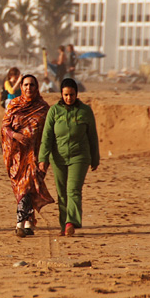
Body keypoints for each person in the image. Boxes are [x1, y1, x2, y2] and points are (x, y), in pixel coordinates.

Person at [38, 77, 100, 237]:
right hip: (58, 157)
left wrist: (95, 157)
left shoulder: (85, 111)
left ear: (76, 94)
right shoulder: (54, 111)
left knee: (73, 190)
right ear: (61, 94)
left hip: (79, 156)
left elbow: (92, 135)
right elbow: (47, 136)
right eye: (65, 95)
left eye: (71, 95)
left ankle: (70, 222)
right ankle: (63, 224)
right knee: (62, 192)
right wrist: (43, 158)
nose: (68, 98)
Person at [1, 74, 54, 238]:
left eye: (32, 85)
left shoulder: (44, 108)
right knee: (23, 187)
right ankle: (27, 222)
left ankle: (22, 224)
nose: (28, 88)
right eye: (25, 85)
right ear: (21, 87)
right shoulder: (14, 105)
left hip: (37, 155)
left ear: (36, 87)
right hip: (17, 154)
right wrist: (15, 136)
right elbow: (4, 127)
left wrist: (46, 157)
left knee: (29, 187)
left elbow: (49, 133)